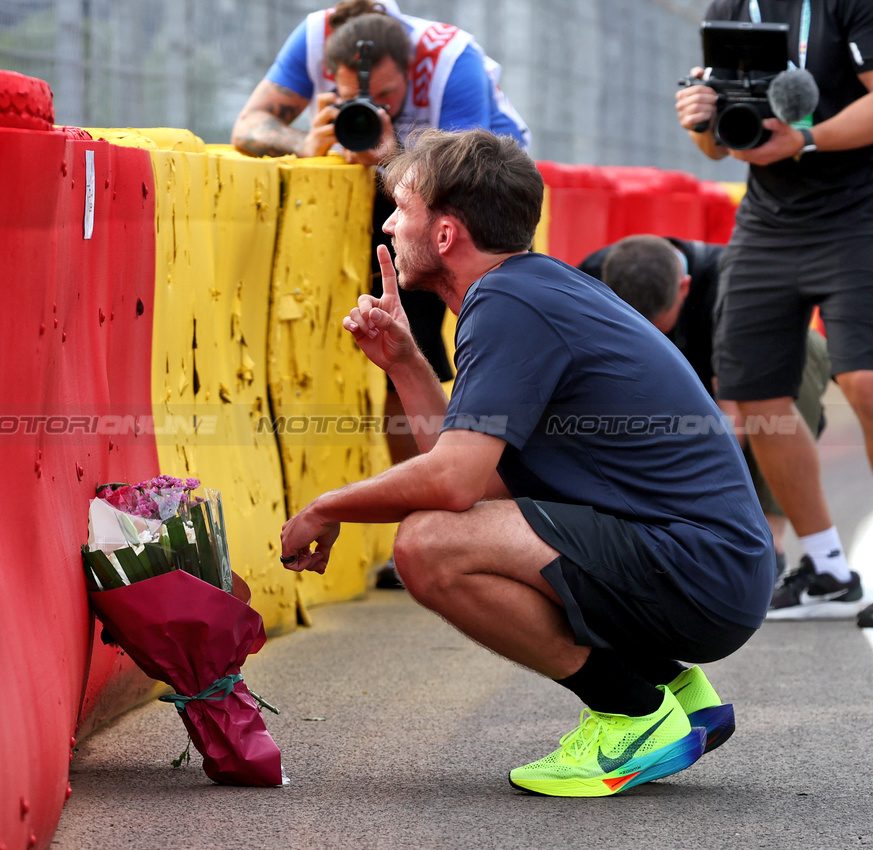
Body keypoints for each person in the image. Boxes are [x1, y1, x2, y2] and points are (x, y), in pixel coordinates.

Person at [279, 129, 774, 797]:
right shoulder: (525, 291)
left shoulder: (508, 305)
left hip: (700, 572)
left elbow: (451, 489)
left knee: (428, 544)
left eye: (401, 207)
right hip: (709, 567)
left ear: (446, 234)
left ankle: (631, 715)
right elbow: (472, 477)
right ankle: (672, 690)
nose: (390, 224)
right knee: (453, 525)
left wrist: (324, 506)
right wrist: (402, 361)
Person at [232, 1, 530, 549]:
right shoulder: (315, 37)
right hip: (397, 184)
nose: (373, 105)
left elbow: (475, 186)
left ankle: (478, 493)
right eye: (353, 98)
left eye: (387, 96)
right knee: (401, 342)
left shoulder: (450, 61)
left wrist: (392, 157)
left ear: (412, 68)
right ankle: (430, 511)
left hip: (481, 192)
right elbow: (247, 126)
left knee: (480, 329)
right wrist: (305, 142)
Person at [675, 0, 873, 625]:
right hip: (768, 219)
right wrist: (700, 121)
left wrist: (807, 138)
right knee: (753, 391)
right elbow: (717, 149)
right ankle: (826, 571)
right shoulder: (732, 7)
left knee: (864, 381)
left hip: (858, 212)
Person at [581, 235, 832, 592]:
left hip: (725, 391)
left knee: (801, 350)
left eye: (657, 327)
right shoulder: (591, 274)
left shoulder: (732, 285)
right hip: (645, 396)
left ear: (685, 288)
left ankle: (767, 541)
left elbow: (734, 422)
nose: (650, 338)